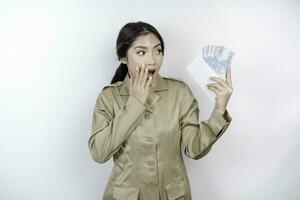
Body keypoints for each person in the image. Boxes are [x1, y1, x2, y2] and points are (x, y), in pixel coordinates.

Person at [88, 21, 233, 200]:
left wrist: (219, 109)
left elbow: (194, 149)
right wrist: (135, 104)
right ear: (123, 58)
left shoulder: (179, 92)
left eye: (158, 51)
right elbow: (99, 153)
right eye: (141, 52)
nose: (152, 60)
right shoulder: (109, 97)